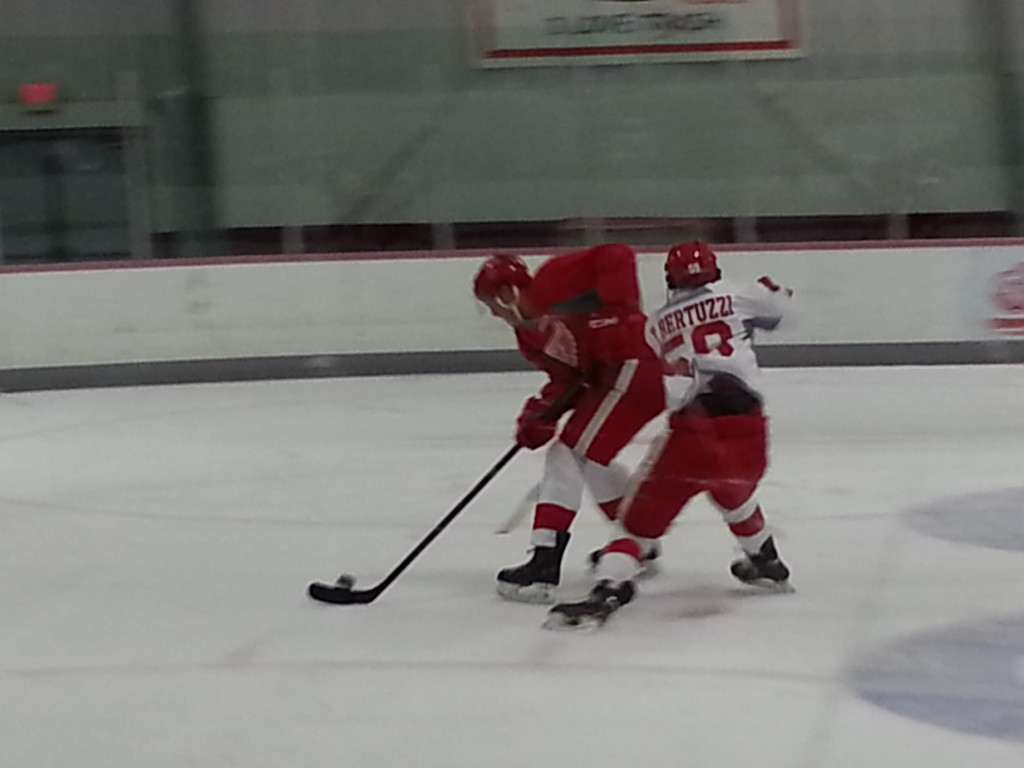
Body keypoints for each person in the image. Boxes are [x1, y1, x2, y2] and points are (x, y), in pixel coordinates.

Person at [545, 240, 795, 629]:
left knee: (636, 525)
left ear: (669, 279)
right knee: (734, 490)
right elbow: (787, 313)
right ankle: (765, 557)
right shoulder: (741, 294)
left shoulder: (655, 324)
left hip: (695, 431)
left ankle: (610, 586)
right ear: (714, 271)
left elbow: (666, 372)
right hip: (750, 429)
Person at [473, 243, 666, 603]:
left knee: (568, 452)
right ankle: (639, 544)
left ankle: (544, 562)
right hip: (615, 377)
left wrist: (617, 317)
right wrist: (538, 414)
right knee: (589, 457)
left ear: (507, 292)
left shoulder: (554, 277)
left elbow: (618, 254)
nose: (495, 314)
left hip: (636, 365)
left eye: (492, 304)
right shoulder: (528, 337)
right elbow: (565, 381)